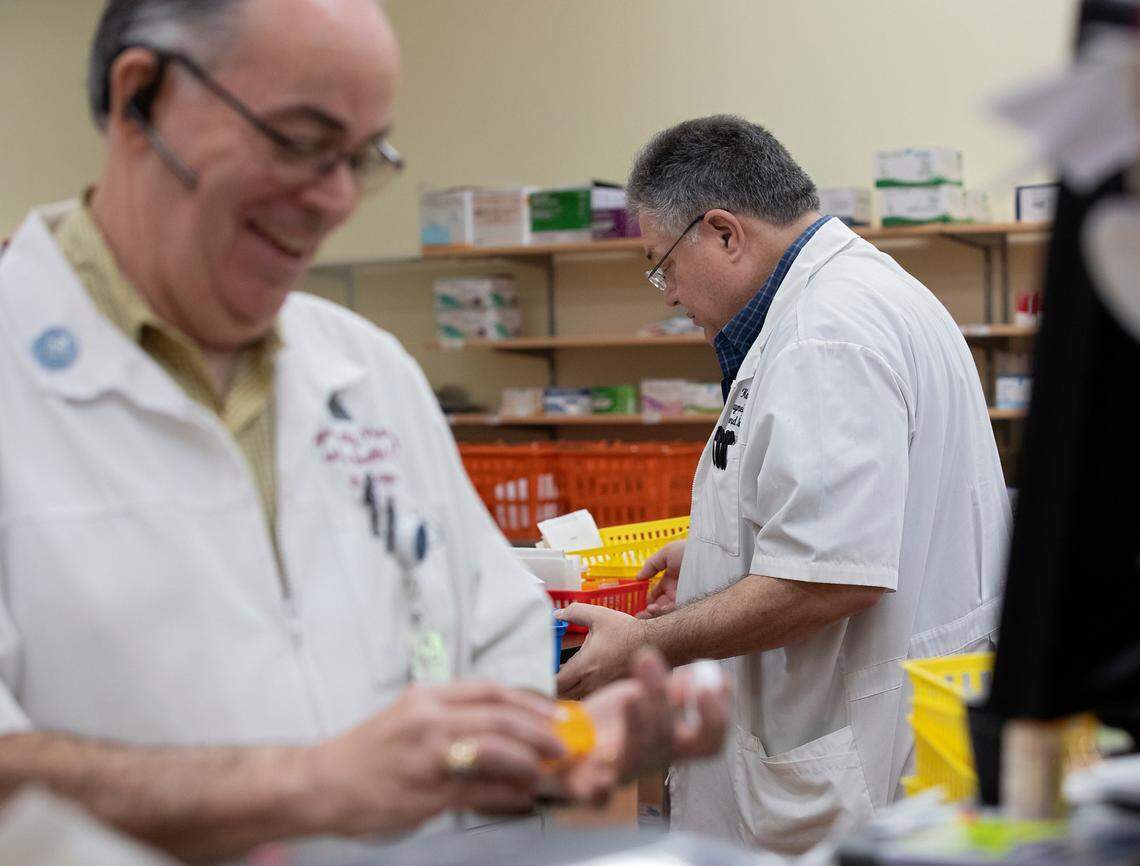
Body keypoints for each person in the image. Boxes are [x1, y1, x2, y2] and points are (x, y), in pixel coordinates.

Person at [0, 2, 727, 863]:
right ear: (140, 97)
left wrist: (558, 743)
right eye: (302, 141)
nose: (336, 200)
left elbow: (486, 638)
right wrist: (309, 785)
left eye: (361, 158)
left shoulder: (364, 370)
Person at [556, 115, 1010, 857]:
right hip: (881, 726)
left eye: (662, 263)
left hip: (849, 753)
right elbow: (848, 516)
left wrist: (647, 643)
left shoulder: (823, 334)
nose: (667, 293)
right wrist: (713, 555)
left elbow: (831, 579)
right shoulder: (856, 293)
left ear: (725, 233)